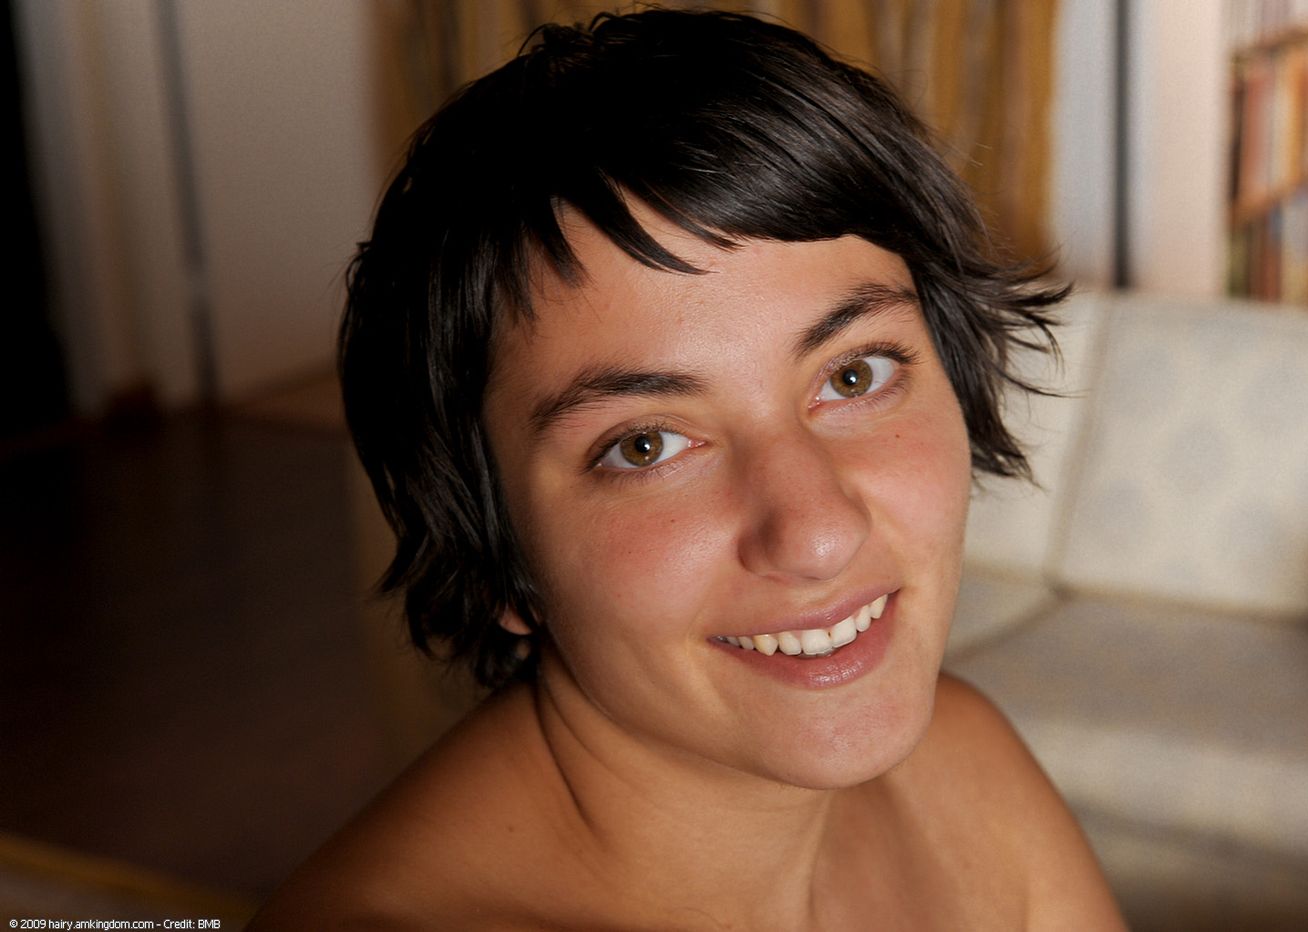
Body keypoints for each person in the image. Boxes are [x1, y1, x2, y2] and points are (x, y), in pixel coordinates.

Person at [252, 8, 1124, 929]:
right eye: (646, 445)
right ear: (494, 548)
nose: (818, 535)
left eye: (853, 375)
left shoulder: (966, 762)